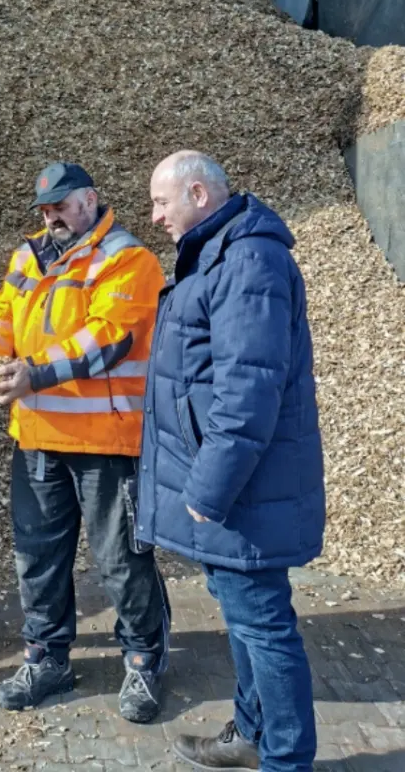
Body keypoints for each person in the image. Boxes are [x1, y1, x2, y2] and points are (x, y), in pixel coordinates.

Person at [137, 151, 324, 772]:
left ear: (198, 193)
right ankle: (252, 733)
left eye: (163, 202)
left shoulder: (248, 260)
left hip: (241, 490)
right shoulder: (220, 251)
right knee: (244, 618)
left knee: (264, 624)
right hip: (229, 486)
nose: (156, 215)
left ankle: (287, 760)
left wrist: (209, 489)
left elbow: (249, 391)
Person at [0, 162, 170, 721]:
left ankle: (143, 661)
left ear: (90, 199)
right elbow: (1, 310)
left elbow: (108, 337)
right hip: (37, 437)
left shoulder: (128, 258)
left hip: (105, 439)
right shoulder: (28, 254)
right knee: (38, 557)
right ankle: (47, 657)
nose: (51, 215)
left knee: (121, 559)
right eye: (44, 207)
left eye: (61, 204)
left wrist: (31, 372)